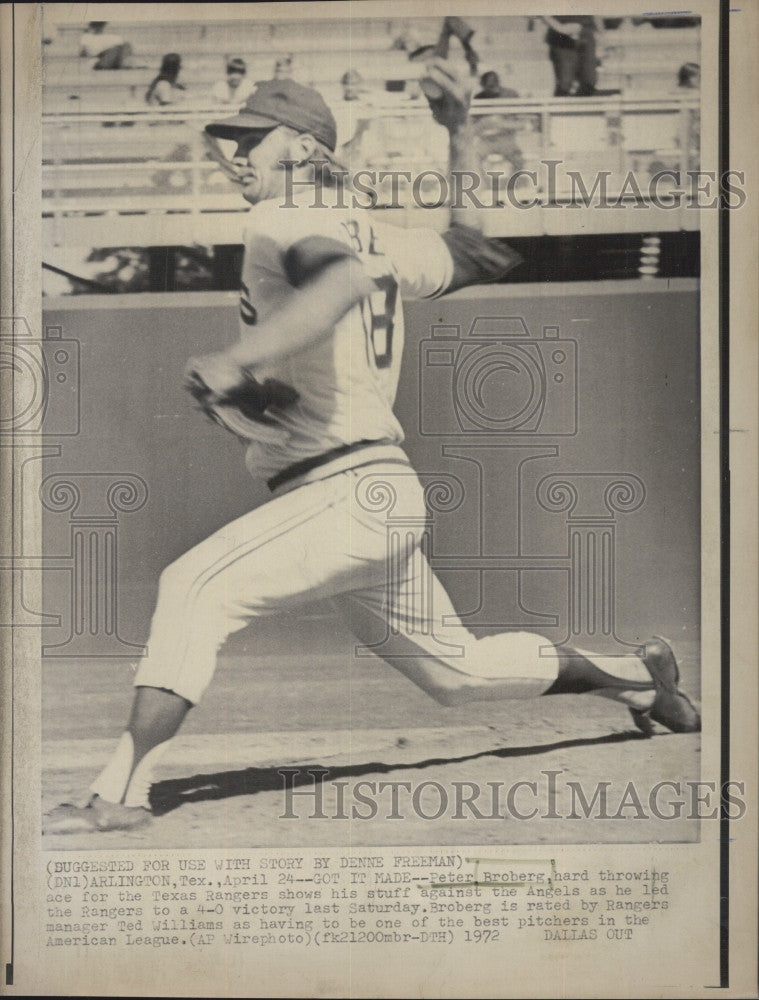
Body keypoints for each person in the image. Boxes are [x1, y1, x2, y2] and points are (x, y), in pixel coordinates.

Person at [44, 62, 700, 835]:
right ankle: (635, 679)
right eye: (230, 138)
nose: (232, 153)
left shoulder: (286, 218)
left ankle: (117, 794)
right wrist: (457, 132)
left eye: (249, 139)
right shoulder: (377, 232)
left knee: (192, 586)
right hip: (364, 497)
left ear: (297, 145)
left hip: (345, 495)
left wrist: (239, 361)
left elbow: (338, 285)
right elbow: (476, 253)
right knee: (459, 675)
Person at [541, 15, 605, 96]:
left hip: (587, 32)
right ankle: (560, 107)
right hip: (561, 35)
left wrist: (601, 35)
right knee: (565, 84)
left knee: (589, 82)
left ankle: (582, 108)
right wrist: (559, 27)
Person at [78, 20, 143, 70]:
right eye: (96, 26)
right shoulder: (86, 37)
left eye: (100, 25)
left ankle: (123, 64)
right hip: (100, 61)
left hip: (113, 59)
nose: (99, 28)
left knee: (125, 45)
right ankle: (123, 64)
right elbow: (83, 54)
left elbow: (126, 49)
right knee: (117, 49)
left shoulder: (111, 37)